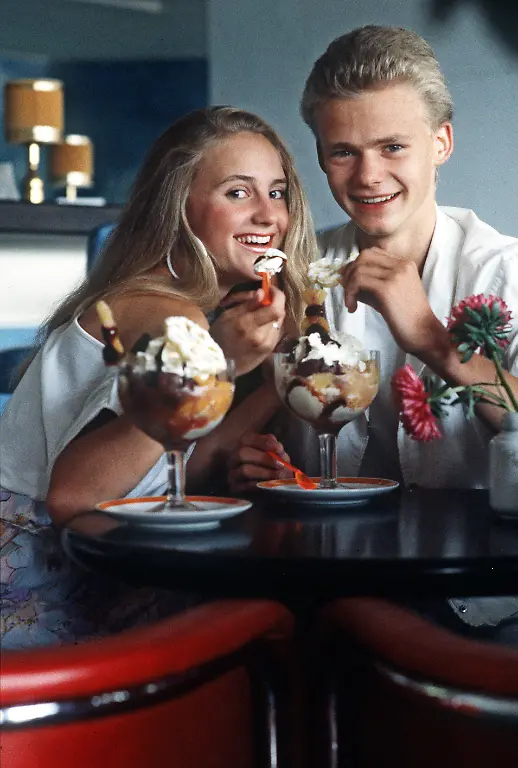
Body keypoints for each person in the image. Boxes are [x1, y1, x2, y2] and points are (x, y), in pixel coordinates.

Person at [227, 27, 518, 641]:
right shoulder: (291, 273)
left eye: (392, 147)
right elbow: (246, 440)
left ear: (441, 143)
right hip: (318, 586)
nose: (367, 176)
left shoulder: (505, 272)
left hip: (481, 600)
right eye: (343, 152)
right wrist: (252, 461)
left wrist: (431, 339)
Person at [0, 106, 317, 647]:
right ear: (179, 208)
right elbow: (74, 495)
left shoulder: (178, 305)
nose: (268, 215)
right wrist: (218, 364)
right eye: (237, 193)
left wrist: (275, 382)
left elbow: (155, 474)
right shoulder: (173, 316)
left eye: (278, 191)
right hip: (41, 585)